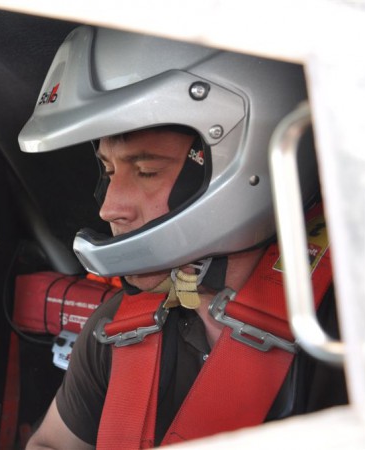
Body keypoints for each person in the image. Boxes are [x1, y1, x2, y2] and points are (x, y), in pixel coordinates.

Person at [18, 26, 347, 448]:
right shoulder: (116, 330)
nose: (109, 208)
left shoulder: (344, 332)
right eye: (110, 171)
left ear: (249, 161)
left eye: (146, 171)